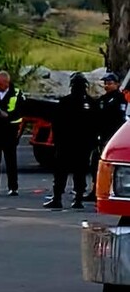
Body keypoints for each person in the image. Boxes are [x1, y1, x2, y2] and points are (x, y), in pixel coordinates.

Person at [44, 72, 98, 209]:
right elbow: (97, 125)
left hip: (66, 144)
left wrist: (57, 141)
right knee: (80, 172)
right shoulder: (91, 104)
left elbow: (56, 124)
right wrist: (92, 143)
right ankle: (78, 199)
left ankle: (57, 199)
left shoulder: (65, 102)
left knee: (61, 172)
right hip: (83, 145)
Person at [85, 72, 127, 201]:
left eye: (110, 83)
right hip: (100, 136)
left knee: (109, 166)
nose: (107, 86)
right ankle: (95, 189)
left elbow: (120, 119)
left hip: (112, 136)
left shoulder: (120, 99)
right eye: (106, 83)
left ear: (117, 84)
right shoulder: (103, 99)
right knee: (95, 164)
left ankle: (108, 190)